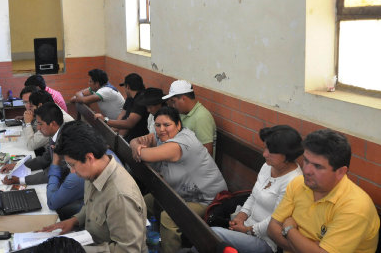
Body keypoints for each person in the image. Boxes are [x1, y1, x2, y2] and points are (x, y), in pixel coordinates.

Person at [40, 120, 148, 252]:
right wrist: (74, 221)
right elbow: (91, 205)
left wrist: (81, 251)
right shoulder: (94, 172)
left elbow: (129, 250)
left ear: (89, 158)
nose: (72, 171)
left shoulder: (120, 196)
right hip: (91, 240)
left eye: (73, 165)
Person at [130, 106, 227, 252]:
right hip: (181, 193)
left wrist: (138, 148)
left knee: (169, 217)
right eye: (158, 125)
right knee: (141, 202)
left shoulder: (181, 142)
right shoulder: (162, 136)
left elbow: (146, 155)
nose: (161, 129)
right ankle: (138, 242)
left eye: (167, 125)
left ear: (178, 125)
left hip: (207, 199)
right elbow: (135, 141)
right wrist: (135, 145)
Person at [267, 129, 380, 253]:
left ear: (341, 172)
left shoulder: (355, 207)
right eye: (306, 160)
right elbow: (272, 229)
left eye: (318, 166)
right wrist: (310, 247)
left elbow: (279, 228)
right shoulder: (298, 183)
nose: (307, 170)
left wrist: (289, 229)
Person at [208, 125, 303, 253]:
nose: (264, 154)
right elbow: (253, 195)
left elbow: (275, 219)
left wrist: (248, 230)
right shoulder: (267, 166)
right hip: (246, 227)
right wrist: (241, 216)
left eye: (271, 151)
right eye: (265, 148)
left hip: (266, 241)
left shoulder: (294, 181)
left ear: (287, 154)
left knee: (214, 234)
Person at [1, 102, 73, 185]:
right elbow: (45, 159)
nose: (38, 128)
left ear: (52, 124)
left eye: (40, 124)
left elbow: (53, 173)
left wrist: (20, 180)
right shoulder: (54, 133)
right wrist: (18, 165)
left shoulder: (66, 140)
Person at [162, 80, 216, 156]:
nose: (173, 106)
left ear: (183, 98)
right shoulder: (183, 112)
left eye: (174, 101)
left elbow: (206, 154)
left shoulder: (201, 117)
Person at [94, 73, 149, 142]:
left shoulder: (141, 100)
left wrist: (105, 120)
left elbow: (129, 124)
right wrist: (113, 131)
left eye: (125, 87)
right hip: (127, 136)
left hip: (137, 139)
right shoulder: (130, 98)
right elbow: (122, 115)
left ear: (128, 86)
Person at [18, 86, 47, 151]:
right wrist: (26, 120)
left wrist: (28, 123)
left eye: (30, 102)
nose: (28, 106)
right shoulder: (38, 113)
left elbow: (31, 145)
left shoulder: (48, 116)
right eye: (25, 102)